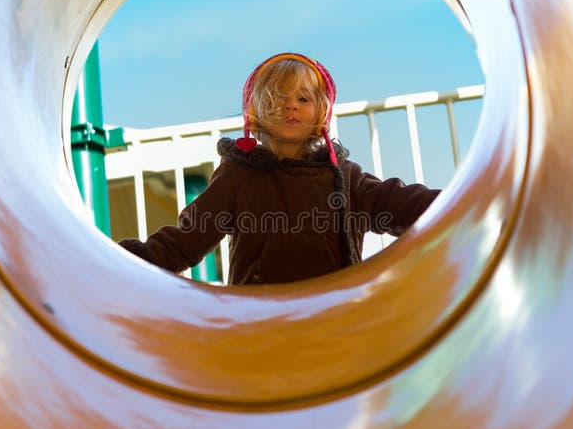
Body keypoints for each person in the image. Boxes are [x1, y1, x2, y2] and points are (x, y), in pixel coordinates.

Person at [119, 52, 440, 285]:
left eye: (303, 98)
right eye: (277, 98)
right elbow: (192, 234)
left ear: (321, 114)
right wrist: (143, 259)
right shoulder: (239, 175)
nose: (290, 105)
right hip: (259, 314)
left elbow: (394, 203)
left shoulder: (343, 177)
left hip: (333, 311)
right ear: (255, 115)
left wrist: (452, 202)